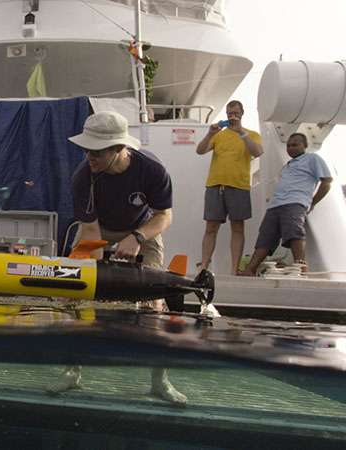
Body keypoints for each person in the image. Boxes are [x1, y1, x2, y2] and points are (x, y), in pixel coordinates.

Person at [62, 110, 186, 405]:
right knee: (74, 295)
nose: (89, 157)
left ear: (119, 149)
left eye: (96, 152)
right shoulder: (83, 178)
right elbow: (91, 233)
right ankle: (72, 370)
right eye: (86, 150)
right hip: (100, 229)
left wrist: (137, 237)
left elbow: (164, 217)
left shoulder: (152, 169)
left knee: (154, 306)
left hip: (144, 229)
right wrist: (99, 281)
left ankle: (160, 380)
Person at [239, 133, 332, 276]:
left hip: (295, 202)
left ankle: (299, 266)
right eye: (288, 146)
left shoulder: (312, 158)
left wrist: (312, 202)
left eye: (295, 145)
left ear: (305, 146)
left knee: (295, 232)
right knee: (265, 237)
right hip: (275, 205)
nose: (290, 148)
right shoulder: (287, 166)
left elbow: (326, 181)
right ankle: (250, 269)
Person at [196, 100, 263, 275]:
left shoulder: (251, 134)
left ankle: (234, 269)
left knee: (237, 227)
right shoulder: (219, 135)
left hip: (239, 185)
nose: (232, 116)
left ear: (242, 114)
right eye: (229, 113)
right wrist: (210, 134)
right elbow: (200, 150)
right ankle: (203, 267)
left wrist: (240, 131)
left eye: (235, 113)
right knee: (211, 227)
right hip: (215, 185)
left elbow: (257, 152)